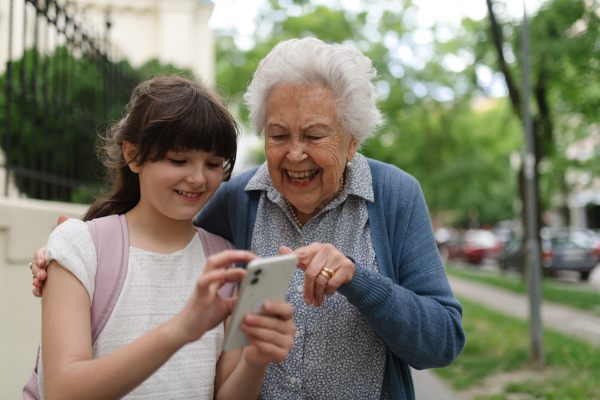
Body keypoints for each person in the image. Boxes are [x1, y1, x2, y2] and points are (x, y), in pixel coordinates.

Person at [32, 38, 465, 399]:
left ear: (353, 142)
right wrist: (67, 252)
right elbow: (160, 226)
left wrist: (360, 282)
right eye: (278, 135)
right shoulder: (234, 200)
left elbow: (443, 341)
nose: (295, 153)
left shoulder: (395, 196)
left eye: (314, 135)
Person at [30, 75, 295, 400]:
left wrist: (255, 361)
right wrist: (181, 330)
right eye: (178, 160)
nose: (198, 178)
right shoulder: (79, 245)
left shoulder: (223, 256)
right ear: (133, 154)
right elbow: (63, 391)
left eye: (213, 163)